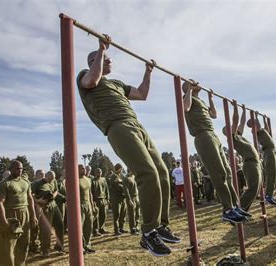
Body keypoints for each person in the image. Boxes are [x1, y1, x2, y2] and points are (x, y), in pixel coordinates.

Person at [77, 34, 179, 256]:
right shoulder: (85, 76)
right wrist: (101, 50)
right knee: (148, 173)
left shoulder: (117, 84)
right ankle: (148, 233)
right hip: (118, 127)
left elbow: (142, 94)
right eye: (103, 58)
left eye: (107, 57)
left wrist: (148, 72)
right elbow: (91, 82)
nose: (109, 60)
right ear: (93, 62)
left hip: (137, 125)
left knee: (162, 172)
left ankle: (160, 225)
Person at [183, 81, 249, 223]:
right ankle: (227, 210)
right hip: (203, 136)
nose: (196, 83)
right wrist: (188, 88)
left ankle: (234, 206)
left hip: (213, 135)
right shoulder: (188, 99)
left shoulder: (199, 100)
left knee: (227, 172)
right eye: (191, 83)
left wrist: (211, 99)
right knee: (218, 172)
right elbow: (185, 107)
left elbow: (213, 115)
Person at [0, 160, 38, 265]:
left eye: (21, 168)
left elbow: (30, 199)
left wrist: (33, 216)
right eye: (17, 168)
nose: (19, 170)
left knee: (24, 243)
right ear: (11, 169)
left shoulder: (26, 182)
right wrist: (4, 220)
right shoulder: (4, 184)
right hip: (11, 215)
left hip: (25, 213)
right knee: (10, 245)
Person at [224, 102, 261, 212]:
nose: (233, 127)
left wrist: (244, 110)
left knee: (256, 189)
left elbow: (242, 123)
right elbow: (236, 121)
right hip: (250, 163)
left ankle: (243, 210)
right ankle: (238, 209)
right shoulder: (232, 137)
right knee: (253, 189)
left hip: (255, 162)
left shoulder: (238, 135)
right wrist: (235, 107)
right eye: (230, 127)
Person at [31, 170, 65, 257]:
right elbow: (30, 195)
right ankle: (45, 250)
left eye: (52, 179)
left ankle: (59, 246)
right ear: (46, 176)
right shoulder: (36, 184)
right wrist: (38, 200)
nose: (51, 181)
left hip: (54, 205)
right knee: (46, 229)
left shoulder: (53, 181)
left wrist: (53, 195)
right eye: (49, 179)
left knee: (60, 224)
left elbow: (56, 190)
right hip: (44, 207)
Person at [247, 116, 276, 205]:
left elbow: (267, 128)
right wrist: (256, 117)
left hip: (273, 151)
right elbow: (258, 124)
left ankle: (271, 194)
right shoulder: (254, 131)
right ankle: (268, 196)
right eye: (255, 123)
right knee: (271, 174)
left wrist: (265, 120)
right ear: (253, 125)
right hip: (269, 152)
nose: (257, 124)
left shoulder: (262, 131)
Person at [78, 165, 96, 254]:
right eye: (81, 168)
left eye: (84, 168)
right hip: (79, 205)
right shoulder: (75, 179)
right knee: (80, 227)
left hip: (88, 204)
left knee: (89, 225)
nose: (84, 170)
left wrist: (92, 205)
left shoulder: (88, 179)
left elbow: (90, 193)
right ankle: (81, 247)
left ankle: (87, 245)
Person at [29, 169, 45, 253]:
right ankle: (33, 246)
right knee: (35, 227)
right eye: (41, 174)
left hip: (45, 209)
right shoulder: (32, 184)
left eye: (44, 174)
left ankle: (42, 245)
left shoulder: (46, 184)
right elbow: (30, 196)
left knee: (43, 228)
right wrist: (38, 201)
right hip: (35, 208)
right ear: (36, 175)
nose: (43, 176)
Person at [108, 164, 127, 236]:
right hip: (116, 199)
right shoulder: (114, 176)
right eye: (121, 169)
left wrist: (121, 181)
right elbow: (119, 187)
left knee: (123, 213)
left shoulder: (120, 176)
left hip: (122, 198)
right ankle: (116, 230)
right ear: (118, 169)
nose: (121, 170)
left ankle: (121, 228)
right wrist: (122, 183)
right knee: (117, 214)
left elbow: (125, 182)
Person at [91, 168, 110, 236]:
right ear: (95, 173)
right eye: (97, 172)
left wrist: (108, 199)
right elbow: (91, 192)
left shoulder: (103, 179)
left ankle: (101, 228)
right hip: (96, 200)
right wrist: (93, 201)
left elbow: (106, 189)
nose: (99, 173)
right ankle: (95, 230)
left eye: (100, 172)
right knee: (96, 216)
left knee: (103, 215)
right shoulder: (92, 181)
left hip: (103, 199)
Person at [124, 169, 140, 235]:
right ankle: (132, 229)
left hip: (137, 197)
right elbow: (126, 190)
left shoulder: (134, 177)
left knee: (137, 213)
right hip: (131, 198)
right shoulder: (126, 179)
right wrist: (129, 200)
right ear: (129, 170)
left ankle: (136, 226)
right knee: (132, 214)